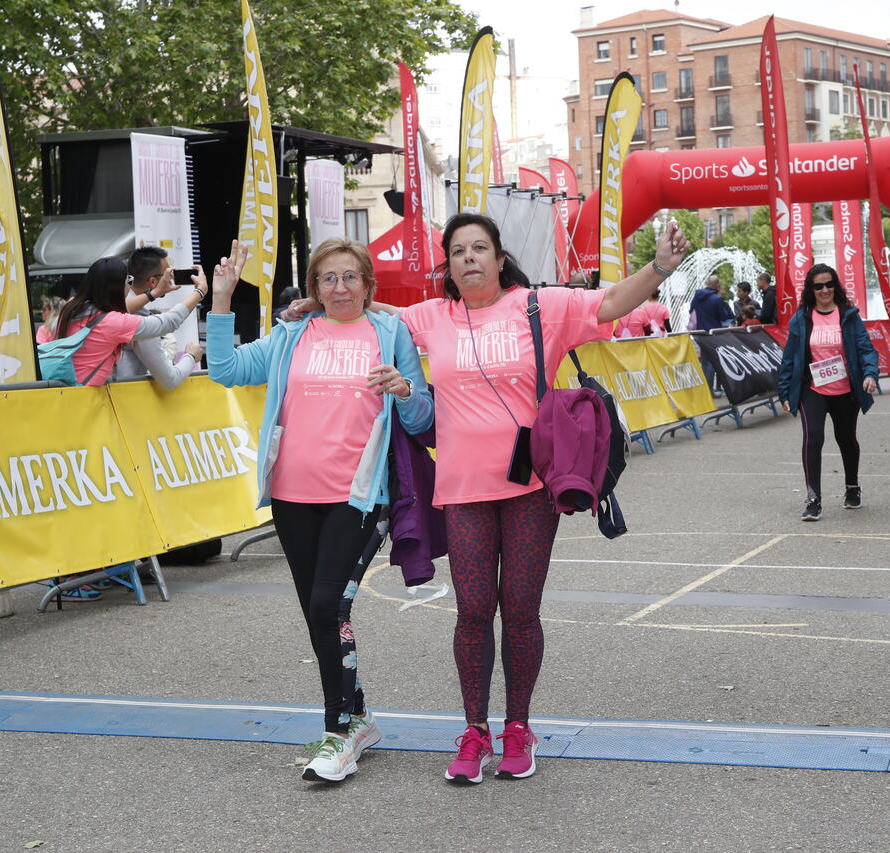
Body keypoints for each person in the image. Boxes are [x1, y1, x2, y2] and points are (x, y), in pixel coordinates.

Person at [287, 213, 690, 783]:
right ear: (447, 267)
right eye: (458, 251)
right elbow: (373, 314)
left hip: (529, 488)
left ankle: (518, 729)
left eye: (480, 248)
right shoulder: (433, 317)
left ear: (500, 259)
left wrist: (659, 267)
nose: (469, 258)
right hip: (463, 490)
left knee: (521, 610)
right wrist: (320, 304)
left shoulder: (539, 306)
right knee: (474, 612)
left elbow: (609, 304)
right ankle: (474, 731)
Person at [207, 237, 434, 784]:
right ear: (313, 288)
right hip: (291, 497)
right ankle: (357, 716)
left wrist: (404, 389)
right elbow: (224, 368)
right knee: (319, 609)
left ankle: (340, 729)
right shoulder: (291, 335)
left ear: (367, 284)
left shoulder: (389, 332)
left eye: (350, 277)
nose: (339, 288)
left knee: (329, 603)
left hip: (358, 497)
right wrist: (221, 299)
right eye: (328, 279)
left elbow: (423, 418)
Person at [776, 263, 879, 521]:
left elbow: (866, 349)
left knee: (846, 440)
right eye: (818, 286)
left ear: (836, 286)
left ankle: (852, 486)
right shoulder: (802, 318)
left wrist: (870, 374)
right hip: (813, 389)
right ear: (811, 289)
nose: (825, 290)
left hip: (845, 390)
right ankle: (813, 498)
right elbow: (789, 358)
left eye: (829, 284)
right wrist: (784, 392)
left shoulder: (849, 315)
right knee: (814, 439)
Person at [52, 256, 203, 387]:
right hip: (89, 400)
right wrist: (200, 292)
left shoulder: (71, 308)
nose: (130, 285)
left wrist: (156, 292)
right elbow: (168, 322)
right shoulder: (114, 323)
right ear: (117, 288)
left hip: (65, 394)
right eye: (128, 281)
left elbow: (116, 308)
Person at [116, 246, 204, 390]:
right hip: (122, 398)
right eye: (168, 274)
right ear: (152, 282)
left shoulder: (114, 305)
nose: (172, 278)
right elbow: (169, 380)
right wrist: (191, 356)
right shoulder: (136, 317)